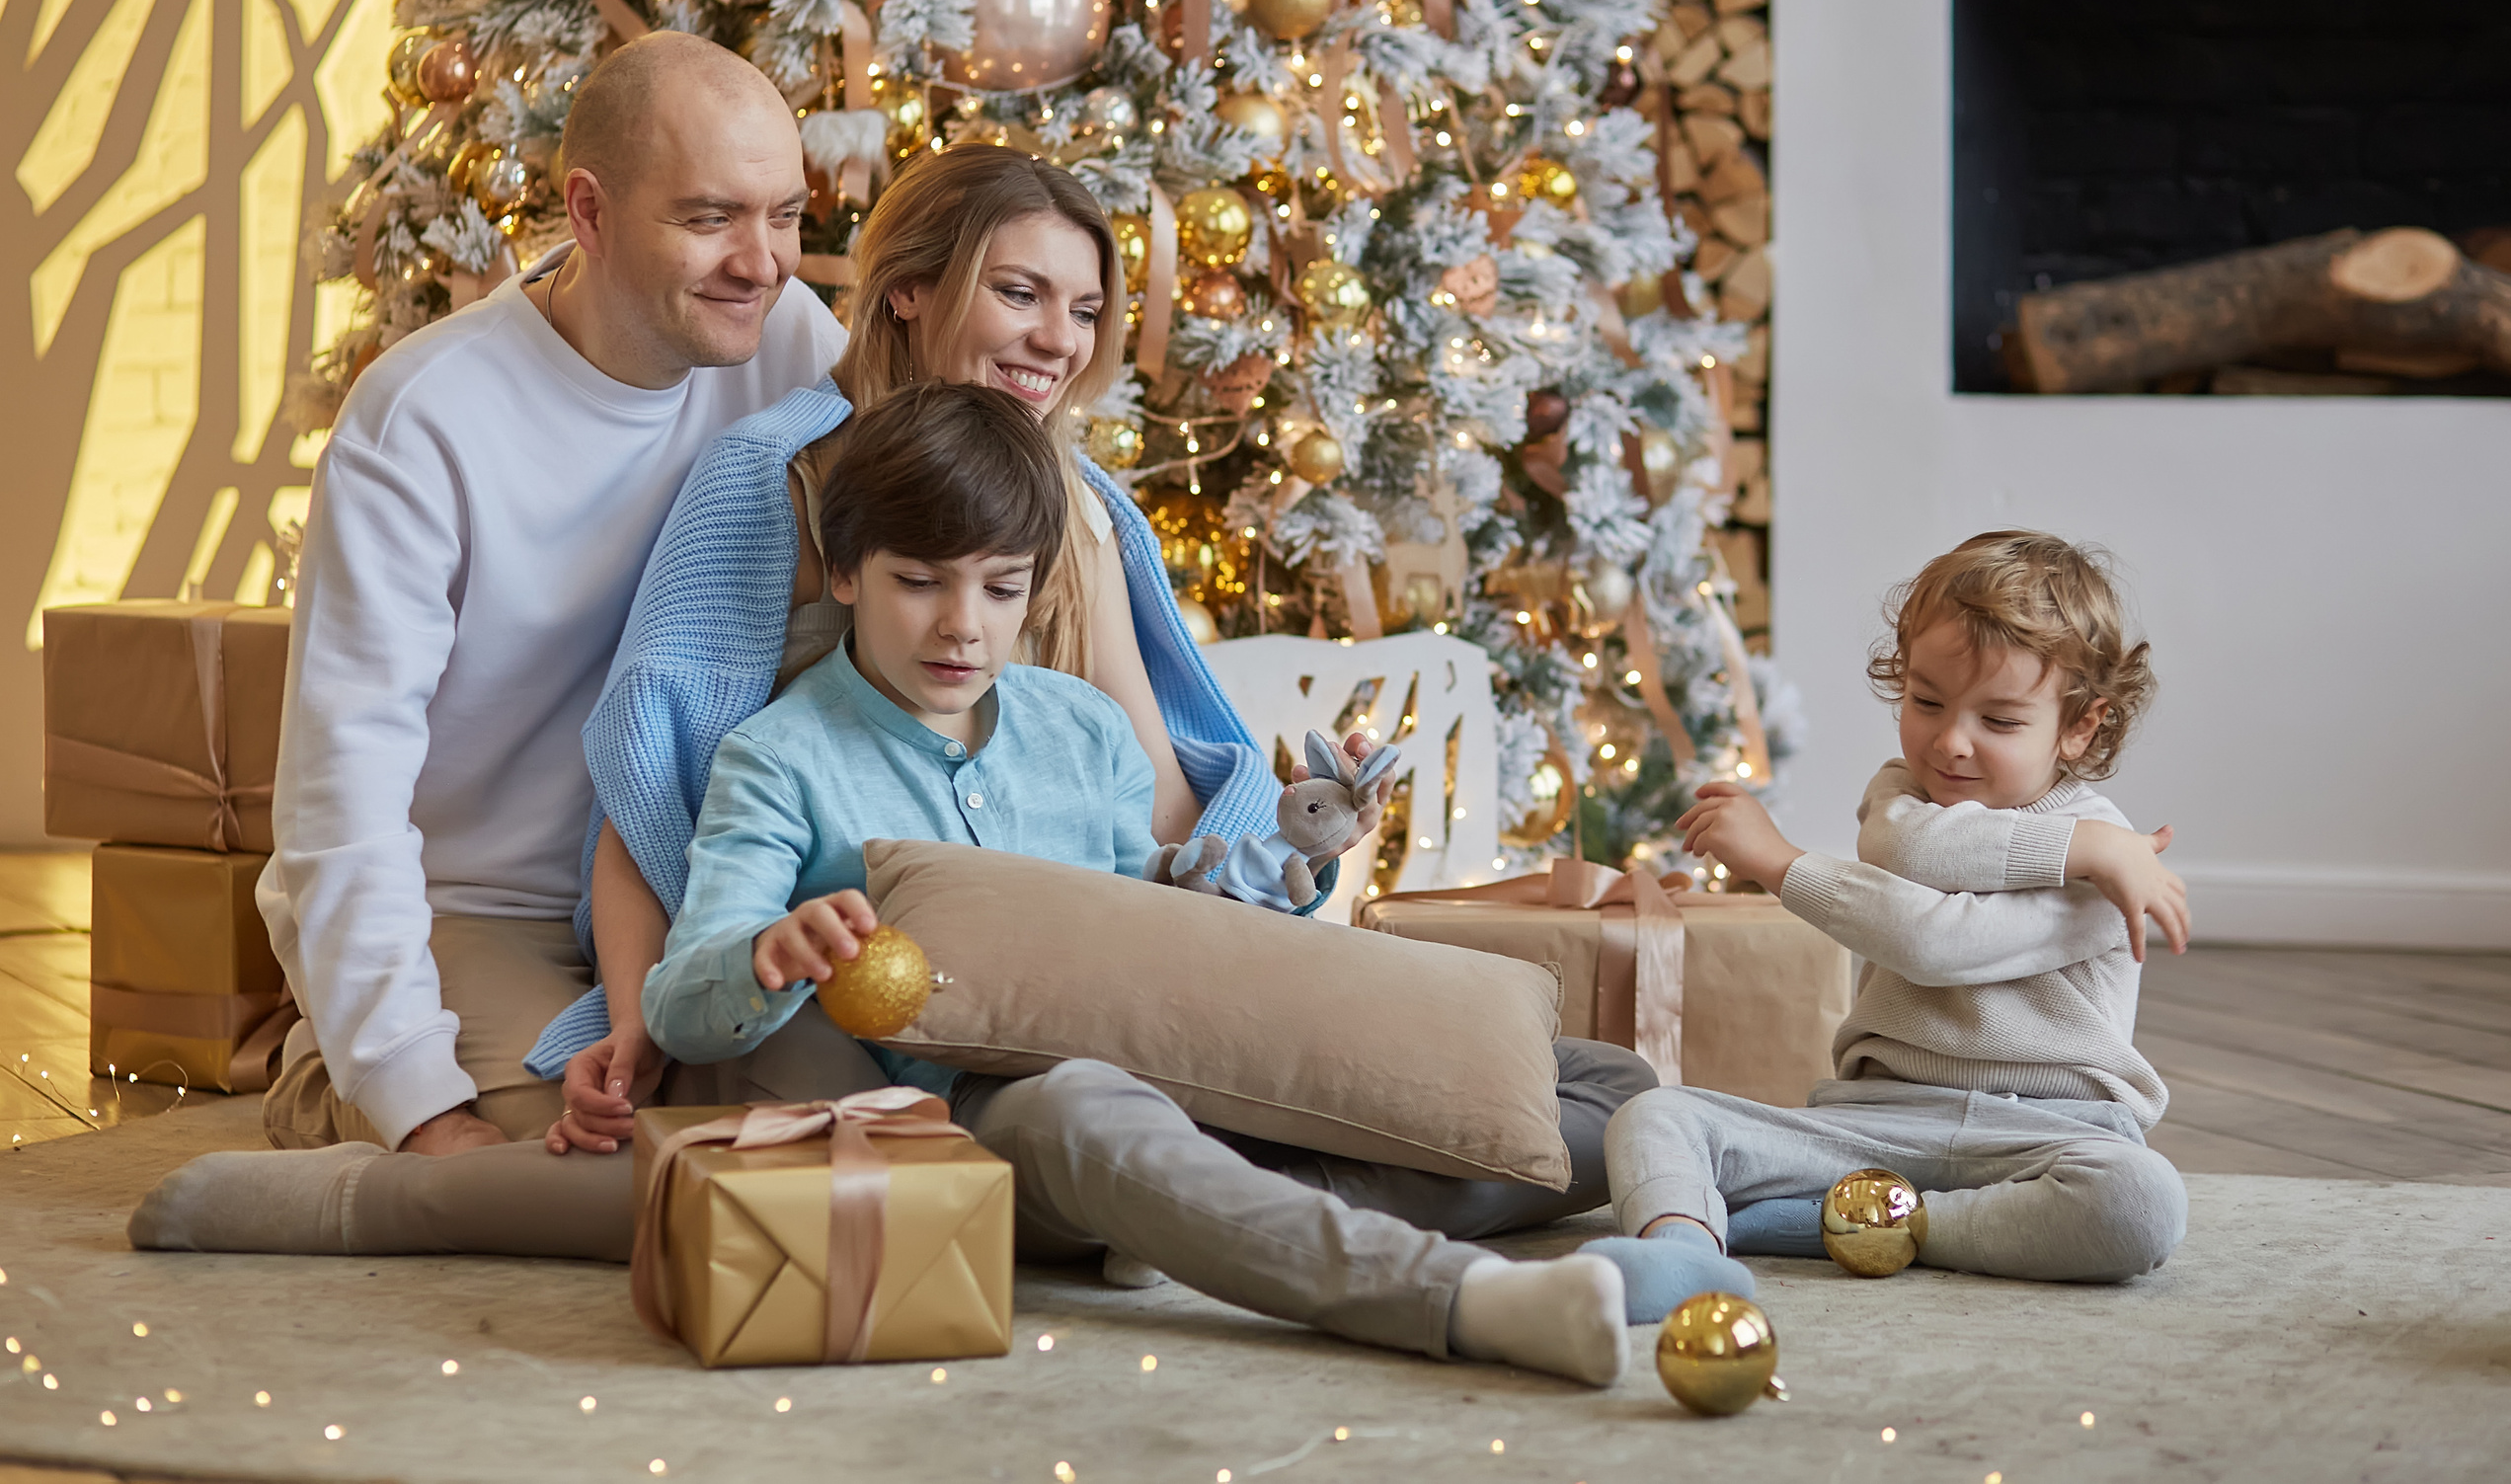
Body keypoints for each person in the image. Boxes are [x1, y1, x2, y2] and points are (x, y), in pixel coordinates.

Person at [137, 383, 1633, 1388]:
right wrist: (772, 949)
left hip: (1162, 1089)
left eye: (1000, 587)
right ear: (846, 570)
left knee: (1572, 1086)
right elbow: (686, 996)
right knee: (1095, 1113)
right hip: (968, 1127)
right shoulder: (779, 758)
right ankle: (1459, 1301)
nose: (962, 625)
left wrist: (1290, 865)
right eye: (920, 580)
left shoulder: (1082, 732)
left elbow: (1152, 924)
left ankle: (1674, 1199)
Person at [526, 144, 1656, 1242]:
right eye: (1019, 293)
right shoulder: (778, 478)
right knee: (1155, 1122)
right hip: (888, 1008)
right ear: (909, 291)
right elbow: (649, 792)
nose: (1058, 340)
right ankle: (1202, 1204)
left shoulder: (1085, 513)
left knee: (1592, 1085)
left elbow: (1151, 807)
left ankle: (1188, 1207)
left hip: (1107, 967)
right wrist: (640, 1027)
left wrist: (1280, 851)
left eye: (1085, 310)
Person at [255, 32, 845, 1159]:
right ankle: (328, 1077)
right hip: (477, 906)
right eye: (710, 217)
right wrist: (421, 1107)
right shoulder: (422, 419)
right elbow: (342, 789)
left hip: (699, 879)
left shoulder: (791, 347)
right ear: (589, 212)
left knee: (818, 1140)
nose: (763, 263)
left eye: (785, 216)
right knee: (601, 1165)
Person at [1579, 530, 2194, 1317]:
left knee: (2142, 1200)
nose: (1951, 741)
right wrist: (2075, 849)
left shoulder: (2120, 860)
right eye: (1927, 701)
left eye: (2000, 720)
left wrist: (1781, 863)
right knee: (1653, 1114)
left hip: (2047, 1136)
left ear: (2079, 726)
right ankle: (1684, 1250)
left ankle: (1883, 1224)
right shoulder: (1903, 799)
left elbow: (1937, 942)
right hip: (1875, 1120)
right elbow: (1905, 845)